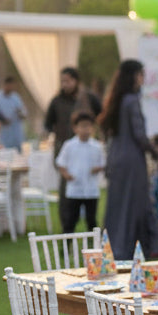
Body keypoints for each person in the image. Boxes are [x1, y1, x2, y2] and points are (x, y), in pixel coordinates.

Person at [98, 60, 158, 260]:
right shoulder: (132, 100)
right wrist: (154, 151)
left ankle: (112, 248)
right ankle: (132, 249)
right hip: (132, 160)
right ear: (134, 75)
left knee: (117, 205)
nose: (143, 78)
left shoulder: (117, 99)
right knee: (135, 205)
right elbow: (139, 135)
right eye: (141, 74)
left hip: (117, 158)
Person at [44, 67, 103, 220]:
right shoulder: (57, 101)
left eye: (68, 81)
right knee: (67, 189)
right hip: (67, 148)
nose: (65, 84)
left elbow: (102, 115)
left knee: (89, 186)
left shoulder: (88, 98)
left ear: (76, 81)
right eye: (62, 81)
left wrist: (91, 130)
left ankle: (91, 225)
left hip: (88, 148)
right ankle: (67, 226)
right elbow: (48, 123)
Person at [55, 110, 106, 233]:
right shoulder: (69, 145)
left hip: (91, 189)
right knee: (70, 220)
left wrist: (97, 168)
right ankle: (66, 247)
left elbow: (103, 163)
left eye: (88, 126)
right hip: (74, 189)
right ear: (75, 128)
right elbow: (60, 163)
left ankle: (94, 246)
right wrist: (66, 174)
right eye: (82, 126)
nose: (85, 129)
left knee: (91, 220)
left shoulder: (96, 146)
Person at [0, 76, 27, 150]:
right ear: (4, 85)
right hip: (2, 134)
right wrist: (1, 120)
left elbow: (24, 114)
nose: (11, 88)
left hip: (16, 134)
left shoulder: (16, 97)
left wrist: (20, 113)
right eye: (9, 85)